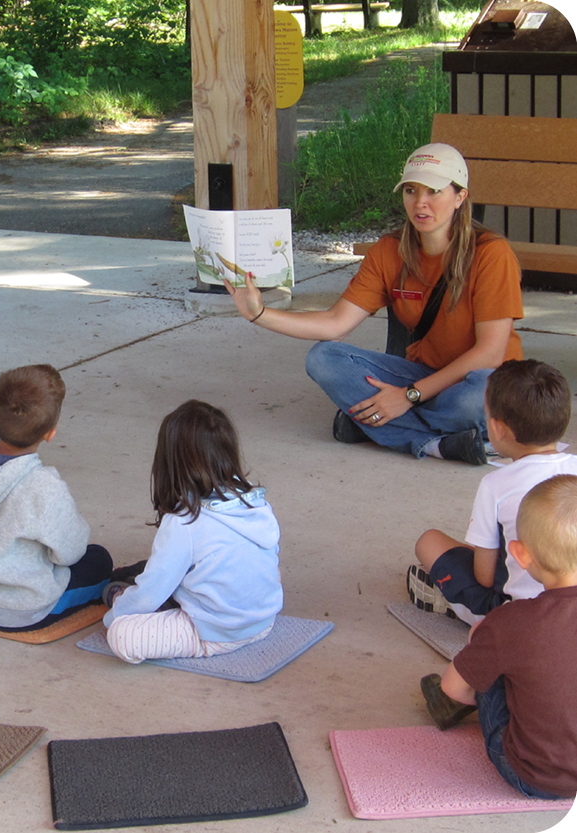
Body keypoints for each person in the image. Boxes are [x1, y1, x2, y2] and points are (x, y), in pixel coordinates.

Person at [224, 143, 523, 465]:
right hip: (422, 372)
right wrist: (259, 314)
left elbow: (490, 353)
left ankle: (376, 425)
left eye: (434, 191)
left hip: (483, 378)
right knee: (324, 358)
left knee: (474, 399)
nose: (420, 203)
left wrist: (409, 396)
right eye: (411, 190)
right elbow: (335, 323)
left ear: (460, 197)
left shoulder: (491, 253)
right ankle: (437, 442)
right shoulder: (389, 250)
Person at [420, 474, 577, 799]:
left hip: (535, 777)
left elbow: (453, 688)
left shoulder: (511, 621)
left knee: (485, 642)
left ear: (519, 554)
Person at [103, 399, 283, 664]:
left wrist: (115, 614)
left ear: (169, 462)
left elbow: (148, 595)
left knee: (122, 633)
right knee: (166, 569)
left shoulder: (184, 521)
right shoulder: (256, 502)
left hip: (216, 633)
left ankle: (125, 596)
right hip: (264, 621)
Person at [408, 359, 577, 625]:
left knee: (429, 542)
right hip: (569, 603)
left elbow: (485, 576)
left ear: (497, 429)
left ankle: (453, 602)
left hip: (514, 615)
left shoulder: (496, 484)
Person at [0, 364, 112, 631]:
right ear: (50, 433)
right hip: (27, 610)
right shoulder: (44, 486)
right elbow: (70, 552)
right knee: (99, 559)